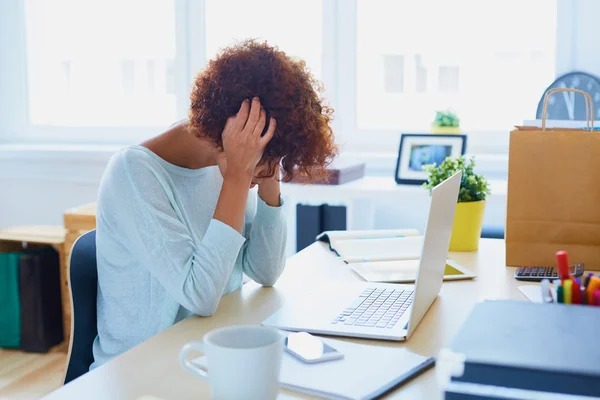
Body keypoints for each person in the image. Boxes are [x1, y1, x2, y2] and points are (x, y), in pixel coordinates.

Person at [90, 39, 337, 368]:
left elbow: (265, 271)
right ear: (231, 131)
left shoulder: (230, 165)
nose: (268, 170)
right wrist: (238, 174)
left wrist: (267, 175)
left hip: (209, 351)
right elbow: (199, 296)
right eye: (271, 156)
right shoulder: (134, 174)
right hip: (144, 370)